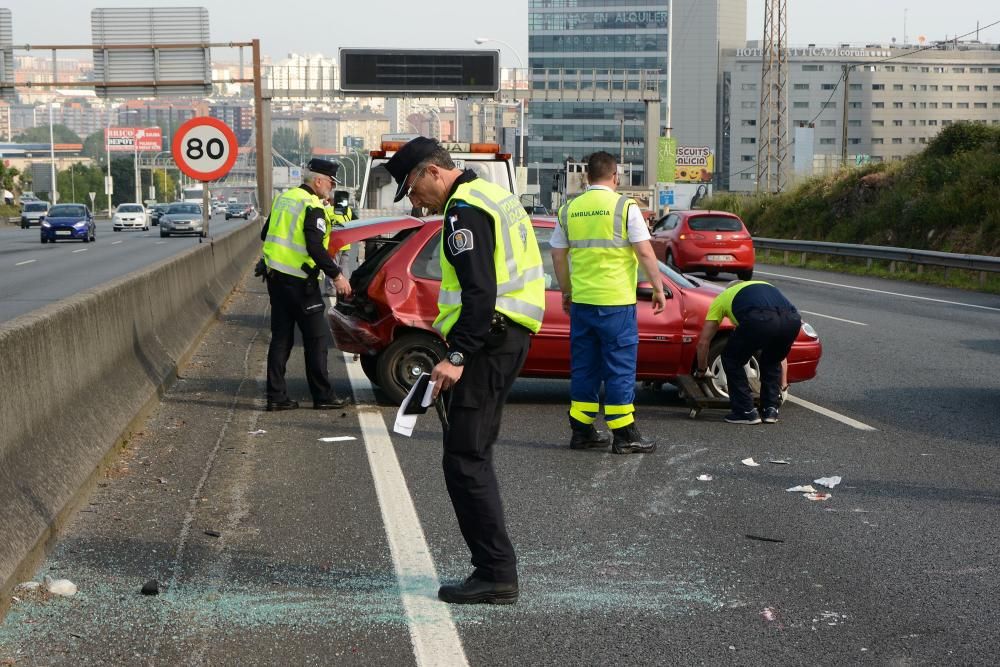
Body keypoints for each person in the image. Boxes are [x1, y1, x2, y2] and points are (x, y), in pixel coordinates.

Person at [385, 136, 545, 605]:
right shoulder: (496, 195)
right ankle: (494, 568)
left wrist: (457, 356)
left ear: (433, 171)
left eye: (413, 190)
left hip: (487, 343)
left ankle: (495, 572)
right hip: (508, 336)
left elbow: (479, 290)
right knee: (473, 454)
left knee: (465, 459)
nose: (416, 203)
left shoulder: (462, 211)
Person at [551, 151, 666, 454]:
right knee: (619, 367)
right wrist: (658, 289)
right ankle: (625, 435)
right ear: (616, 176)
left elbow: (558, 256)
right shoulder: (625, 207)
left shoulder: (569, 209)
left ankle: (582, 431)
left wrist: (566, 292)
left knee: (584, 367)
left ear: (586, 177)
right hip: (616, 304)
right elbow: (644, 252)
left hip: (583, 304)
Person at [260, 158, 352, 412]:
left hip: (276, 279)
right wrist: (337, 276)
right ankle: (323, 396)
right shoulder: (312, 206)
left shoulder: (284, 199)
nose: (331, 188)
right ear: (318, 181)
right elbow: (315, 247)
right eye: (331, 183)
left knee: (281, 338)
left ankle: (276, 397)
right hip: (301, 283)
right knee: (317, 339)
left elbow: (264, 234)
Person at [694, 280, 801, 424]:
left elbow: (703, 342)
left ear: (729, 289)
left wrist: (702, 369)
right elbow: (780, 358)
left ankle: (745, 411)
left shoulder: (723, 297)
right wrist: (783, 382)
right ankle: (770, 410)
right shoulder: (764, 286)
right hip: (792, 320)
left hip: (759, 320)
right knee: (771, 360)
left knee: (731, 359)